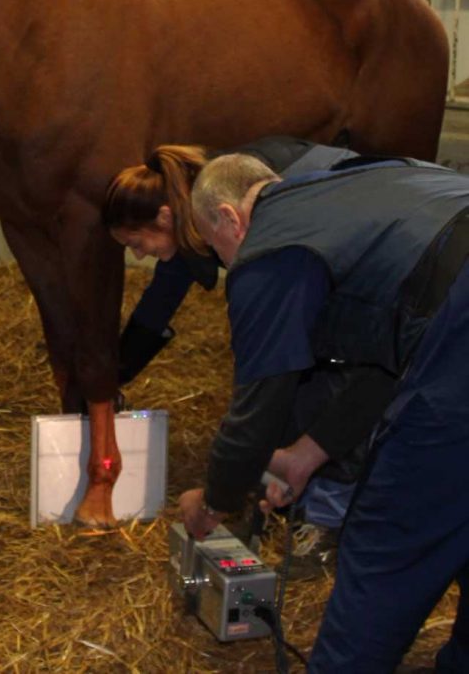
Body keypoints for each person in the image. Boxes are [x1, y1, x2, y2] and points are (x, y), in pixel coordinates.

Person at [182, 151, 469, 672]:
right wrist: (304, 455)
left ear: (229, 217)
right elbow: (391, 362)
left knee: (387, 538)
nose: (225, 265)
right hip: (449, 313)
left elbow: (258, 408)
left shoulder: (270, 248)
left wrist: (214, 500)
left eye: (216, 247)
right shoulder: (354, 184)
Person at [103, 138, 393, 536]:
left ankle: (328, 515)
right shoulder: (197, 206)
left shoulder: (255, 224)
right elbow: (159, 302)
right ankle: (298, 485)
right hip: (378, 227)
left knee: (335, 370)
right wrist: (114, 374)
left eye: (137, 244)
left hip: (372, 257)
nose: (138, 256)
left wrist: (216, 499)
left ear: (166, 217)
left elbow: (269, 376)